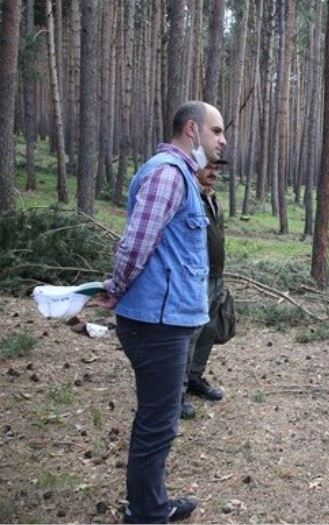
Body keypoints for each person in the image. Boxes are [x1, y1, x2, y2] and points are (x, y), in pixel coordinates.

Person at [96, 101, 226, 523]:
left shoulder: (183, 178)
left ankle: (150, 503)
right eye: (217, 131)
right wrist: (115, 289)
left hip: (168, 318)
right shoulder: (168, 174)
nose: (223, 141)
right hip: (157, 322)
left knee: (160, 419)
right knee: (158, 423)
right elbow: (136, 243)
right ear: (192, 130)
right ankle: (146, 513)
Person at [181, 159, 227, 419]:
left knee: (208, 330)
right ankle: (175, 392)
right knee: (189, 334)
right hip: (195, 278)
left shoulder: (211, 197)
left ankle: (194, 378)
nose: (214, 173)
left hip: (215, 276)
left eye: (217, 169)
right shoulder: (188, 196)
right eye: (209, 167)